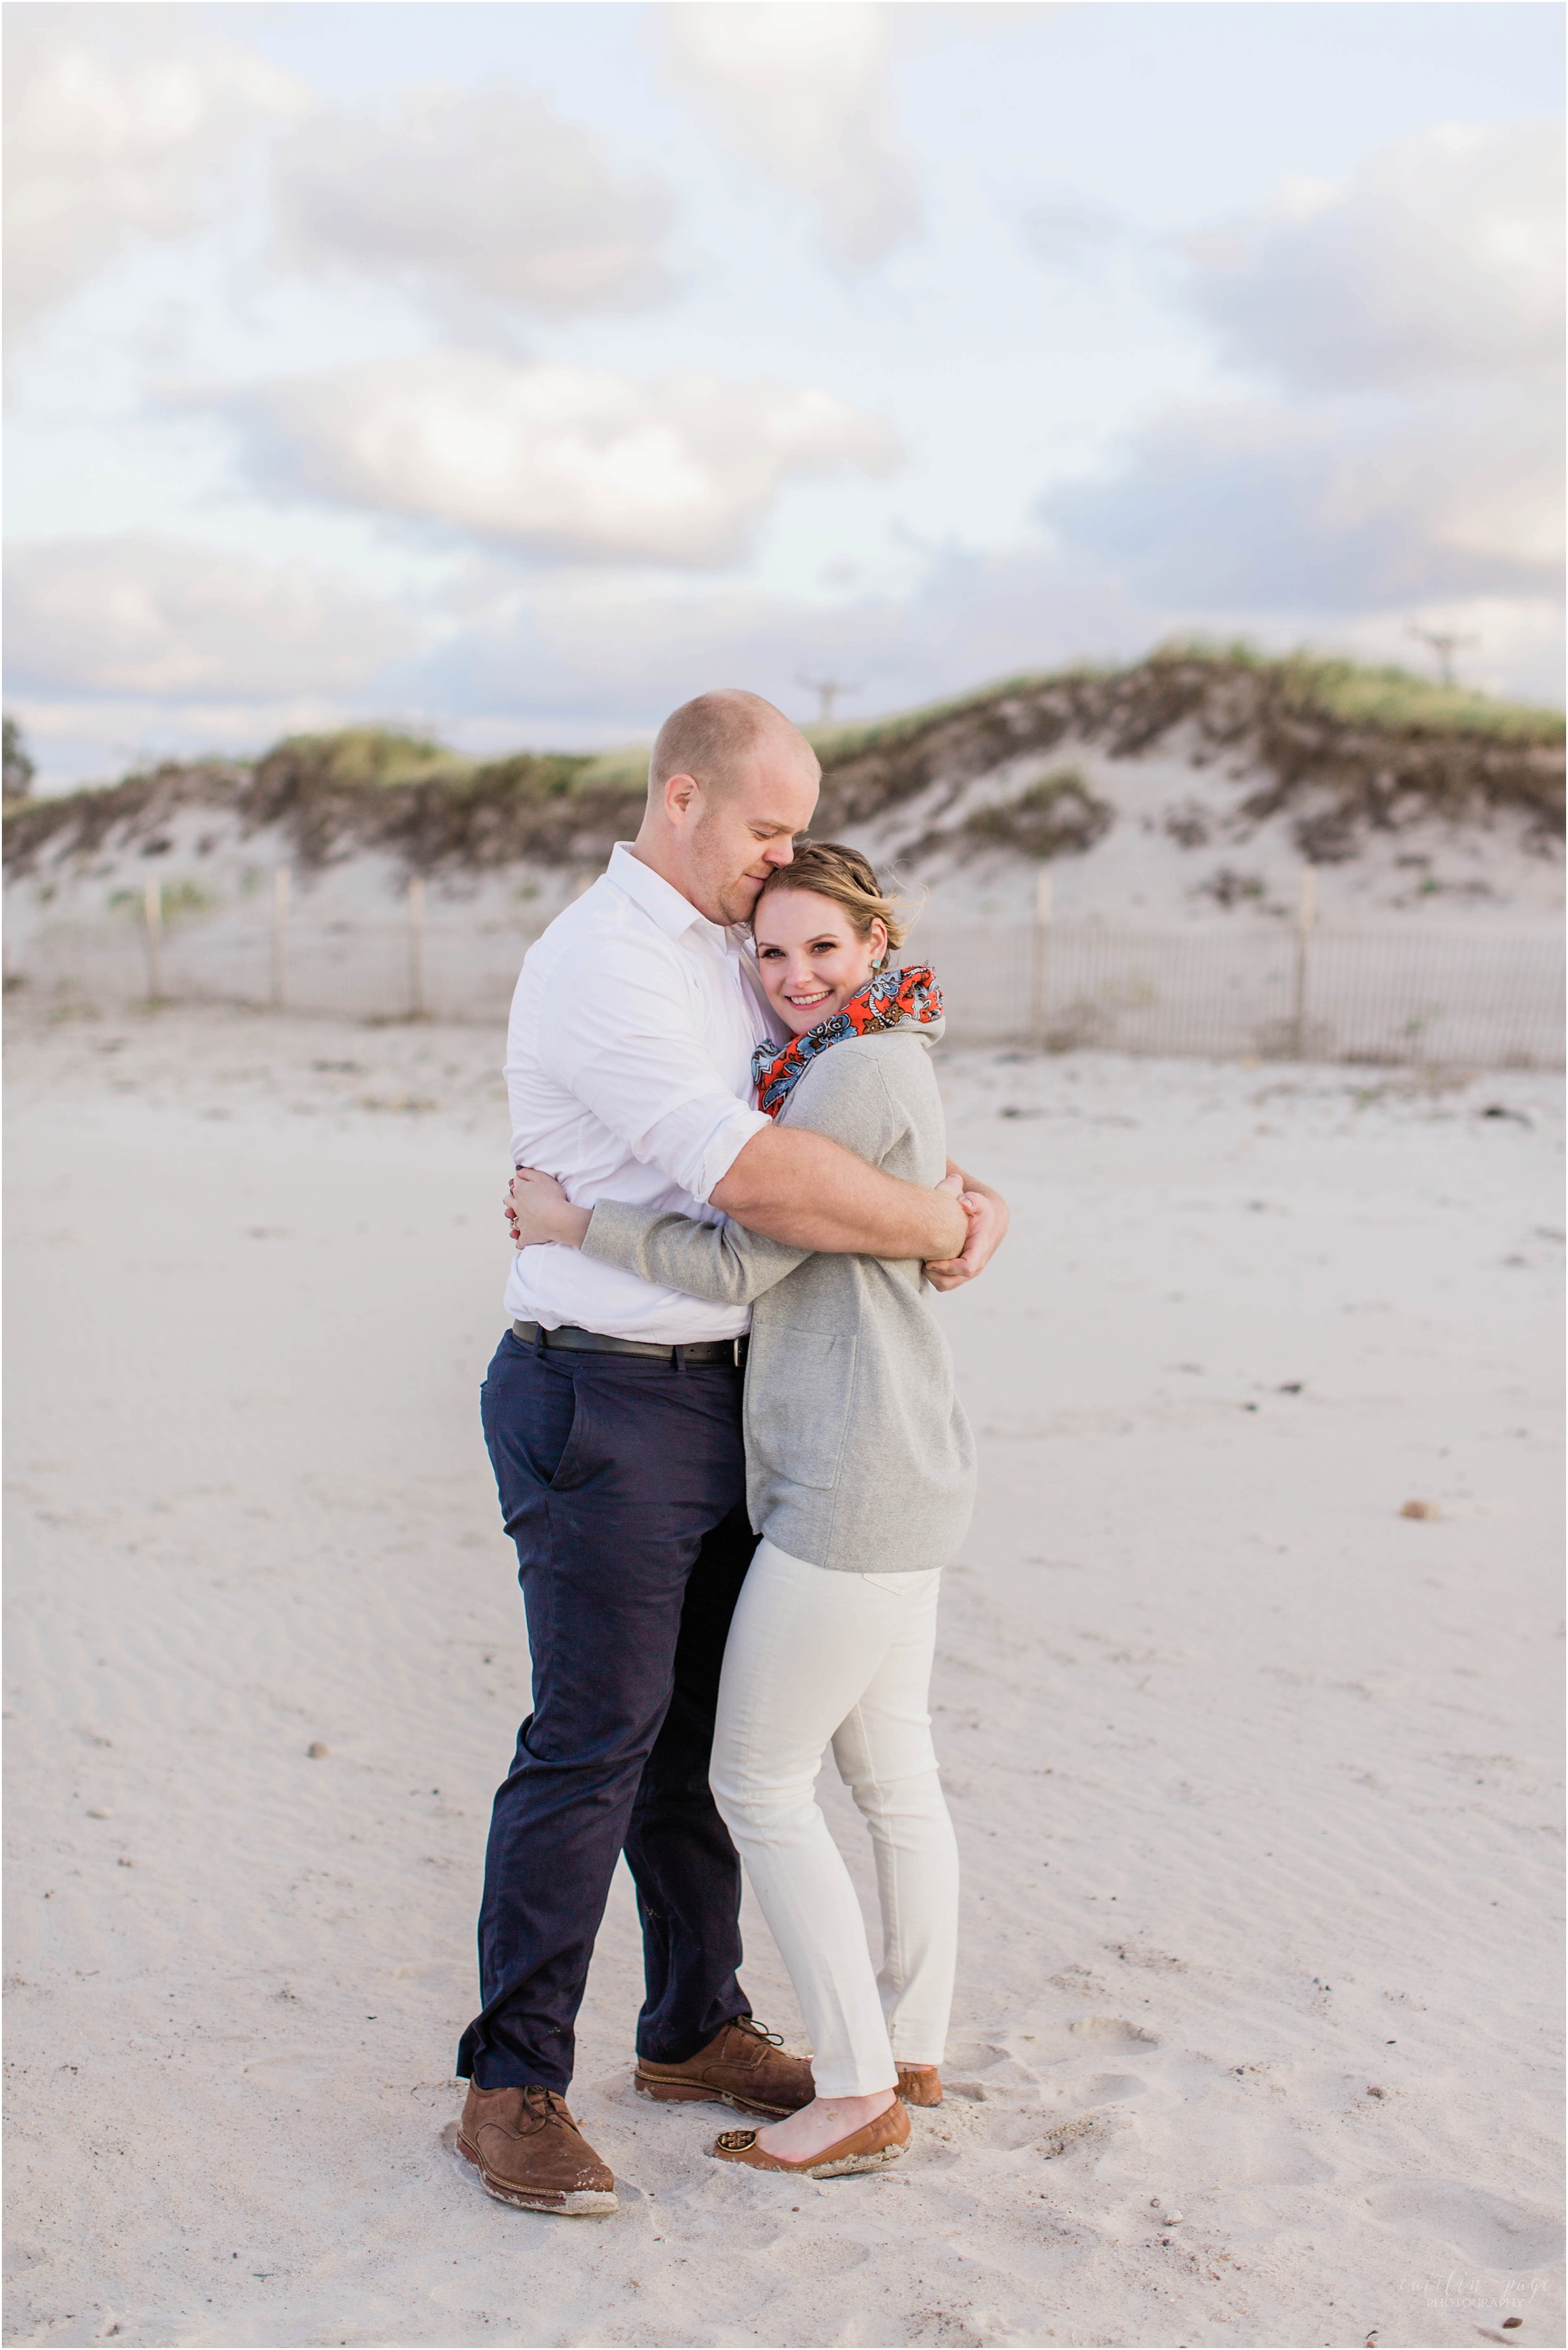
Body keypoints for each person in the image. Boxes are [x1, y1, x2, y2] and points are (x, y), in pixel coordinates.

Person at [456, 690, 1009, 2219]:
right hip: (603, 1396)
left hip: (729, 1403)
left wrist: (951, 1184)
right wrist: (938, 1224)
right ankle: (511, 2085)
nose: (785, 863)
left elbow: (840, 1101)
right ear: (683, 797)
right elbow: (763, 1182)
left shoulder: (730, 939)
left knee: (698, 1745)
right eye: (769, 826)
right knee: (591, 1744)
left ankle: (694, 2025)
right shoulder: (603, 963)